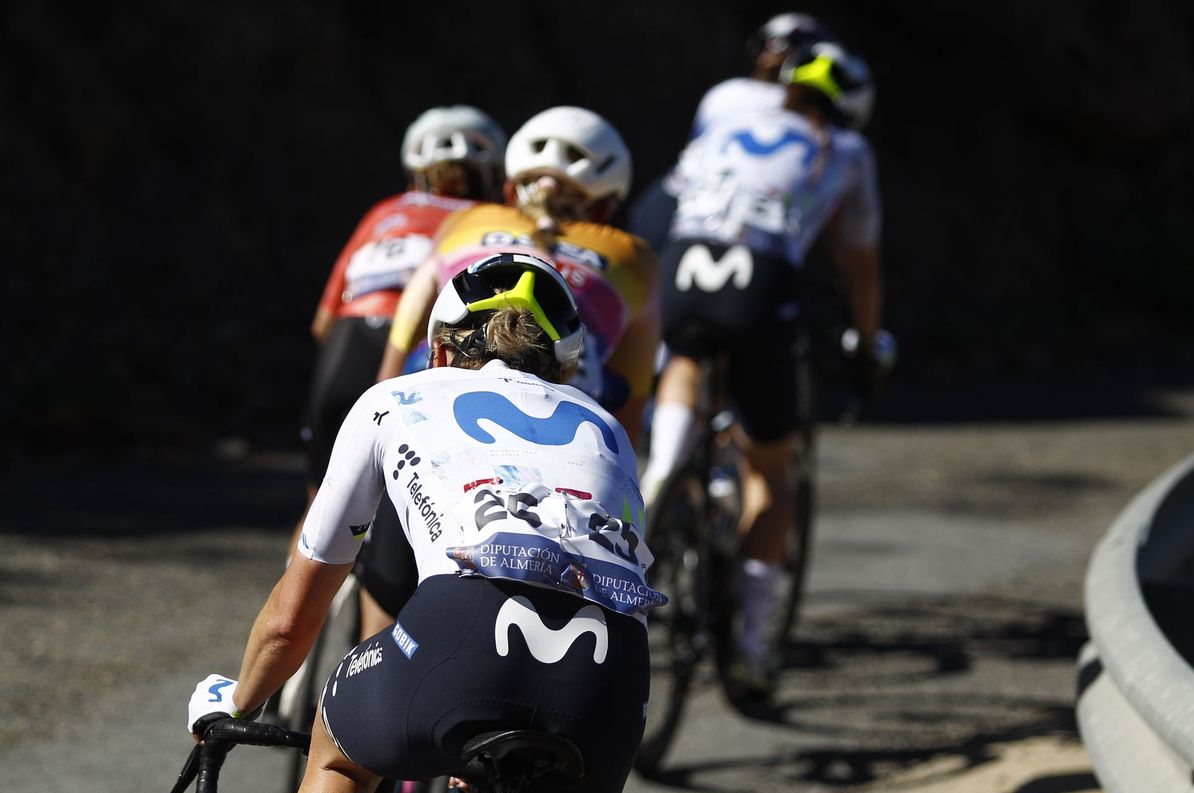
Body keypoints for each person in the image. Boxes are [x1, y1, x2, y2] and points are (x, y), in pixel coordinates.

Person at [186, 253, 660, 793]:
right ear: (562, 364)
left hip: (468, 629)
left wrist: (241, 706)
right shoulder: (605, 425)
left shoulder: (392, 401)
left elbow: (291, 619)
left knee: (338, 760)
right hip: (611, 675)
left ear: (440, 348)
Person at [636, 38, 894, 699]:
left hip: (681, 260)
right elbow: (859, 265)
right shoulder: (848, 151)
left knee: (688, 357)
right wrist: (867, 345)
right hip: (761, 280)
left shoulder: (728, 114)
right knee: (769, 468)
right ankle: (751, 646)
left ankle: (663, 474)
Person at [357, 106, 662, 639]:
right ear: (610, 201)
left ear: (509, 185)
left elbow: (407, 327)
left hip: (426, 418)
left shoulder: (468, 224)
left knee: (382, 615)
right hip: (549, 467)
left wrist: (378, 399)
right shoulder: (633, 256)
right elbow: (633, 392)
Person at [301, 105, 506, 501]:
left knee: (322, 499)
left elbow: (322, 322)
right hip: (424, 339)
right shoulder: (491, 216)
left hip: (350, 338)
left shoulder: (384, 212)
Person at [626, 12, 838, 251]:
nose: (776, 51)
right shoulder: (728, 92)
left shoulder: (791, 110)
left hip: (728, 210)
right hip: (690, 198)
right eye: (773, 42)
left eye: (789, 46)